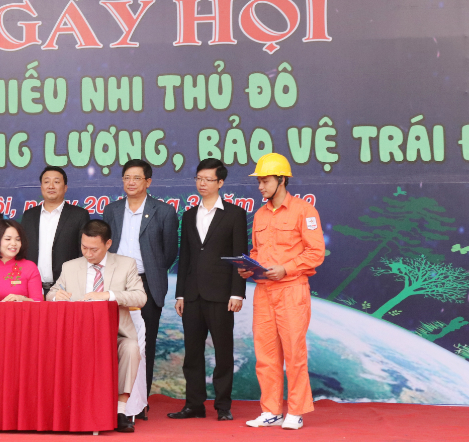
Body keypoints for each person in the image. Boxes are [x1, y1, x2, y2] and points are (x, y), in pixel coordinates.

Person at [239, 153, 325, 430]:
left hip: (291, 291)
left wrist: (286, 269)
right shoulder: (260, 214)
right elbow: (256, 251)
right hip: (264, 291)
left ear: (282, 180)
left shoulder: (304, 211)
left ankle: (296, 411)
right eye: (259, 181)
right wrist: (248, 267)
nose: (261, 186)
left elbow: (316, 253)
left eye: (265, 181)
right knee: (265, 355)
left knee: (294, 354)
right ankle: (271, 410)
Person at [47, 220, 146, 433]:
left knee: (131, 348)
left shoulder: (126, 264)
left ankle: (120, 410)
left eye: (94, 249)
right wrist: (56, 296)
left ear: (108, 244)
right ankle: (65, 409)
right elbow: (51, 293)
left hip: (115, 335)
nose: (88, 254)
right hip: (77, 336)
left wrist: (108, 295)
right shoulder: (70, 266)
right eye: (84, 247)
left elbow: (140, 297)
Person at [169, 158, 247, 421]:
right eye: (199, 179)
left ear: (220, 182)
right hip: (192, 295)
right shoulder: (189, 215)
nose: (202, 184)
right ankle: (194, 404)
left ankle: (223, 406)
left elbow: (240, 256)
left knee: (223, 352)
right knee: (192, 353)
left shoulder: (234, 214)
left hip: (222, 295)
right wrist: (180, 294)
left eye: (208, 179)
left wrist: (237, 293)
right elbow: (185, 257)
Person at [102, 159, 179, 410]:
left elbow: (169, 253)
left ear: (148, 182)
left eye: (137, 178)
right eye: (127, 177)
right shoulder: (112, 210)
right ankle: (113, 400)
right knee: (112, 343)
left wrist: (151, 271)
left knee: (145, 344)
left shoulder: (164, 211)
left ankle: (140, 403)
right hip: (114, 284)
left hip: (147, 284)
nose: (131, 182)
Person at [21, 166, 90, 296]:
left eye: (56, 182)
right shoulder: (29, 216)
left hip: (66, 289)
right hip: (32, 289)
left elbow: (83, 253)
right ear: (41, 187)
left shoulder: (79, 215)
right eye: (47, 182)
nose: (51, 186)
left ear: (65, 187)